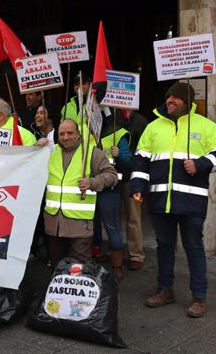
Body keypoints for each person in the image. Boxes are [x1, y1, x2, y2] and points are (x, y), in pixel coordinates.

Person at [131, 82, 216, 318]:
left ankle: (199, 297)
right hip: (160, 199)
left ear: (187, 101)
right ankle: (165, 290)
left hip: (191, 201)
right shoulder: (153, 127)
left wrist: (200, 164)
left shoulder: (205, 126)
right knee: (164, 247)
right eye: (168, 97)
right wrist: (137, 186)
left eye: (175, 98)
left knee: (194, 248)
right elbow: (141, 160)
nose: (170, 101)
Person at [43, 119, 118, 266]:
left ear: (78, 134)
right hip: (54, 224)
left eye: (70, 133)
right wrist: (35, 147)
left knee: (78, 268)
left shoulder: (92, 153)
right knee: (57, 267)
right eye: (62, 133)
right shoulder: (50, 152)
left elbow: (112, 176)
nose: (65, 137)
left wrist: (93, 182)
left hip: (79, 225)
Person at [91, 114, 133, 280]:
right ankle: (94, 257)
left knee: (112, 226)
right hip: (89, 187)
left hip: (109, 188)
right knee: (90, 226)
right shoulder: (84, 134)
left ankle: (117, 265)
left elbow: (129, 163)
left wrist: (120, 155)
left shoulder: (118, 133)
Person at [121, 108, 148, 271]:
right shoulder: (111, 117)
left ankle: (136, 254)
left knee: (134, 216)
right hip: (112, 174)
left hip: (133, 177)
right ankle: (115, 250)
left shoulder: (140, 121)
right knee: (110, 216)